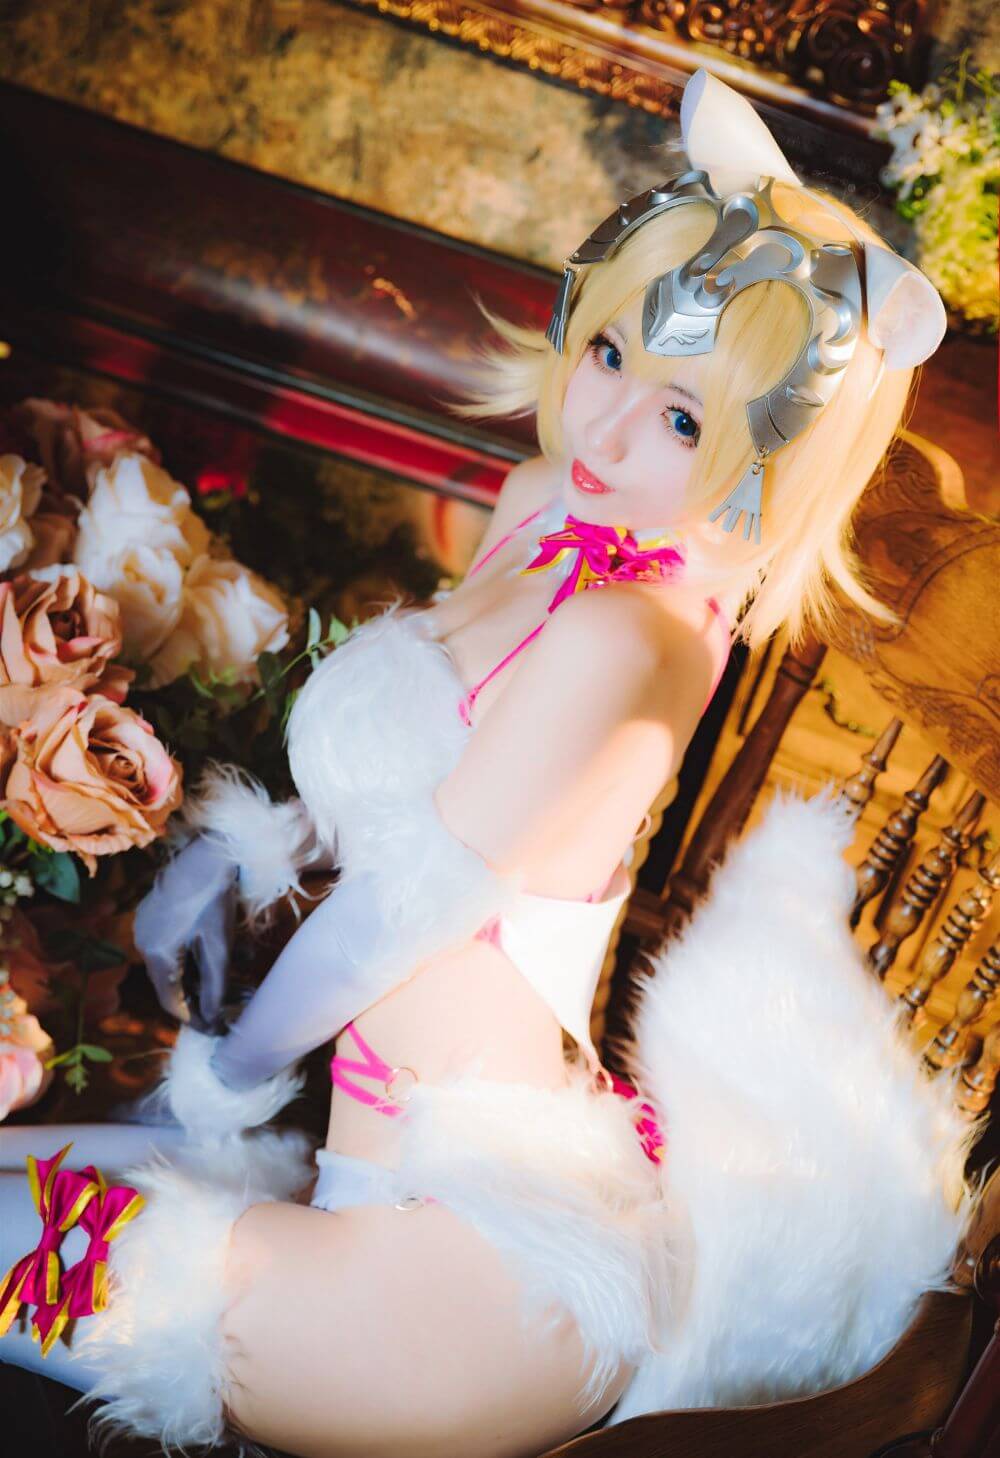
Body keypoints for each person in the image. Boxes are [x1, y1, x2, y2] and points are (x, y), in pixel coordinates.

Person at [0, 71, 975, 1458]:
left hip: (472, 1278)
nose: (608, 427)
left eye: (686, 421)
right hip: (350, 1169)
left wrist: (221, 1071)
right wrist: (241, 849)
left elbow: (406, 905)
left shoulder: (635, 638)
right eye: (612, 352)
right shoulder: (544, 506)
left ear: (776, 466)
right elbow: (404, 790)